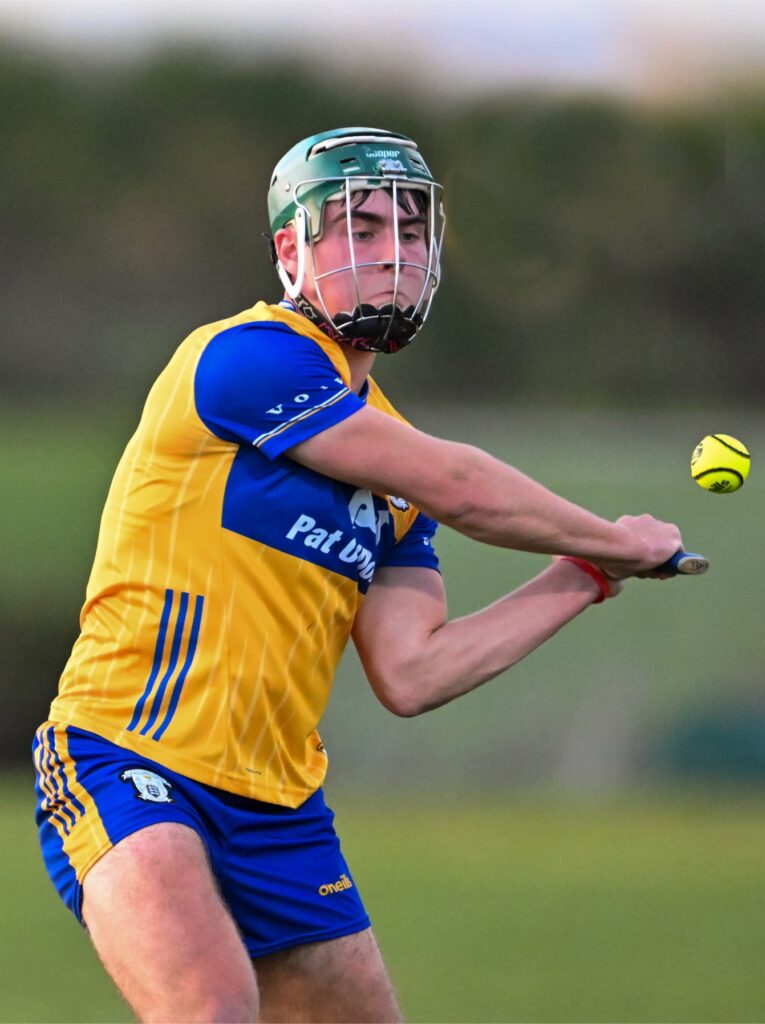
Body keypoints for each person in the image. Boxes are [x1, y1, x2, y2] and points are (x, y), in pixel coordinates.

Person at [33, 127, 683, 1023]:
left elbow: (414, 673)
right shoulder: (245, 359)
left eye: (410, 234)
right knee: (213, 1010)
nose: (392, 254)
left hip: (280, 810)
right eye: (360, 228)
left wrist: (585, 575)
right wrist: (616, 537)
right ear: (289, 250)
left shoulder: (389, 466)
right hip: (126, 758)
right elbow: (460, 486)